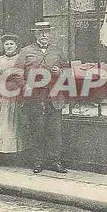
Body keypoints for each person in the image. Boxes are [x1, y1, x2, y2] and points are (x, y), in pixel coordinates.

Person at [16, 21, 69, 173]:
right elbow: (18, 72)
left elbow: (67, 70)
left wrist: (60, 71)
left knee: (55, 131)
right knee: (37, 130)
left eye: (46, 32)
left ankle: (55, 161)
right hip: (35, 97)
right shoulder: (26, 51)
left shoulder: (57, 51)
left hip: (54, 96)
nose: (44, 35)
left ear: (50, 34)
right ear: (35, 34)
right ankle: (38, 162)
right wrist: (25, 85)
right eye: (40, 32)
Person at [0, 34, 28, 160]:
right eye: (7, 44)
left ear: (16, 46)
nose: (9, 46)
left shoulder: (21, 59)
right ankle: (1, 155)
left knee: (15, 124)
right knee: (2, 125)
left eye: (11, 44)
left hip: (17, 96)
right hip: (2, 96)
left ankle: (15, 156)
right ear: (3, 46)